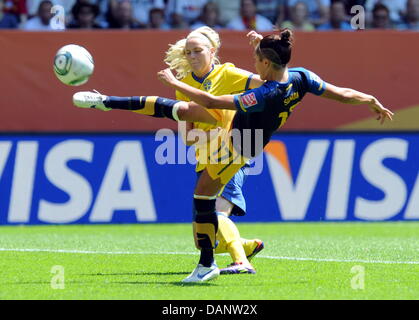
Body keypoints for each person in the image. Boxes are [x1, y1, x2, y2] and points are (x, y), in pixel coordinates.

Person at [73, 28, 393, 282]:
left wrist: (173, 81)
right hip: (232, 140)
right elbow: (342, 93)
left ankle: (209, 265)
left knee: (202, 196)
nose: (253, 65)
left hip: (236, 145)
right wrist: (370, 99)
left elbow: (213, 104)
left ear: (267, 65)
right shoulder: (302, 77)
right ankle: (227, 254)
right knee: (202, 207)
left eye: (257, 60)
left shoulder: (265, 93)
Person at [73, 27, 266, 275]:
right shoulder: (183, 84)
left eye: (198, 51)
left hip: (231, 155)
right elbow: (187, 137)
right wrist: (212, 132)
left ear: (213, 51)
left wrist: (261, 50)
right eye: (188, 52)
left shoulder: (228, 74)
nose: (193, 56)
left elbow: (271, 84)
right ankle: (244, 246)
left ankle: (241, 261)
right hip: (204, 161)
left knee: (218, 212)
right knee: (203, 241)